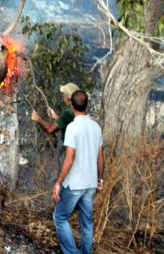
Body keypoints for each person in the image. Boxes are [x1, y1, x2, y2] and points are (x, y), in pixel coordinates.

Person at [51, 90, 104, 254]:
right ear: (87, 105)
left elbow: (69, 159)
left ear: (72, 106)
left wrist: (58, 182)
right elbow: (100, 158)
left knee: (59, 217)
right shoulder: (96, 127)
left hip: (75, 184)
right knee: (87, 223)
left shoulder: (73, 128)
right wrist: (99, 180)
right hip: (90, 183)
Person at [31, 83, 79, 158]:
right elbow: (68, 121)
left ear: (68, 97)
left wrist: (38, 118)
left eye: (64, 94)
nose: (63, 95)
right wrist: (56, 117)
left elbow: (50, 129)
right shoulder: (77, 109)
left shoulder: (68, 111)